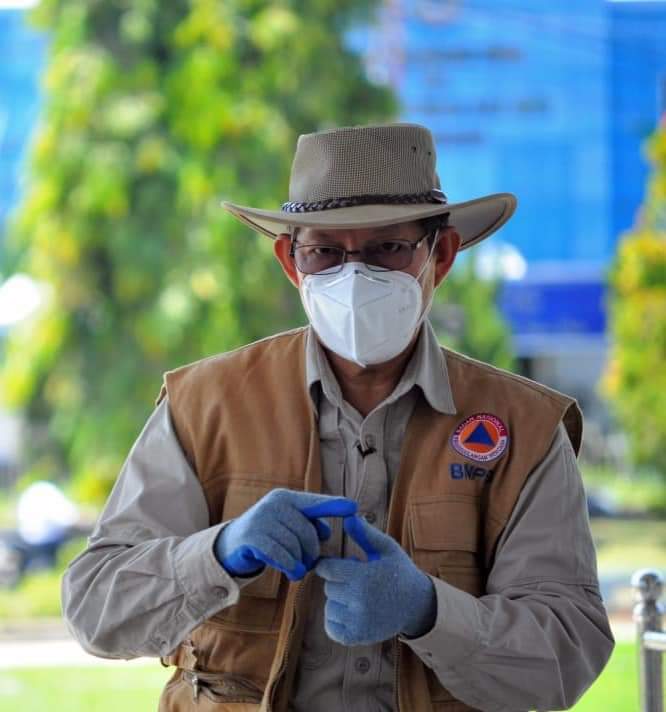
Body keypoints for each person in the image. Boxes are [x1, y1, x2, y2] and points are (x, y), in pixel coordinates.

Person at [62, 123, 614, 712]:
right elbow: (97, 611)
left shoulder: (523, 427)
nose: (354, 278)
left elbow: (565, 655)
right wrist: (218, 554)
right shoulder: (205, 405)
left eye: (387, 249)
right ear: (290, 261)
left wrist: (429, 611)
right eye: (325, 251)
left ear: (442, 254)